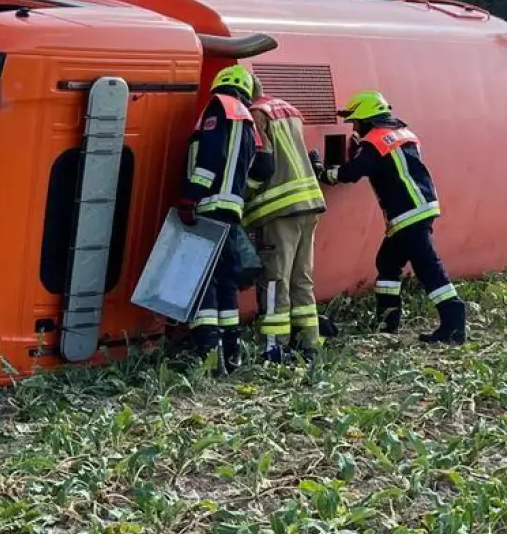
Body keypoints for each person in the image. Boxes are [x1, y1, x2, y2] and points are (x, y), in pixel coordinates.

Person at [317, 90, 466, 345]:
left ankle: (454, 323)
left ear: (366, 119)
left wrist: (323, 171)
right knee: (387, 262)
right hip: (419, 207)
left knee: (428, 267)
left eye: (355, 122)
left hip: (407, 213)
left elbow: (351, 173)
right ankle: (387, 321)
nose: (354, 127)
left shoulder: (373, 141)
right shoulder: (402, 134)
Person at [175, 64, 275, 373]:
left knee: (203, 280)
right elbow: (262, 169)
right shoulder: (246, 118)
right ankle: (231, 353)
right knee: (226, 282)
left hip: (209, 206)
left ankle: (208, 355)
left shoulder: (219, 107)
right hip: (232, 211)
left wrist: (191, 195)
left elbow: (209, 156)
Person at [244, 73, 327, 363]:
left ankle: (274, 346)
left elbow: (263, 163)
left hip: (279, 209)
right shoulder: (288, 110)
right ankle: (309, 342)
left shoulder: (256, 113)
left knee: (275, 278)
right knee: (301, 277)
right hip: (309, 203)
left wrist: (243, 195)